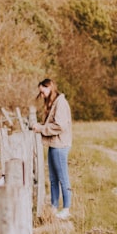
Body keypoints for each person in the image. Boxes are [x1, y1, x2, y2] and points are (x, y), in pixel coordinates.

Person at [31, 78, 73, 219]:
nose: (41, 94)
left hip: (60, 145)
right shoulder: (54, 102)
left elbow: (60, 126)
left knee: (63, 178)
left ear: (49, 87)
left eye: (42, 91)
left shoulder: (60, 103)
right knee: (53, 179)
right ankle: (54, 208)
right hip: (54, 144)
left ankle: (66, 209)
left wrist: (41, 128)